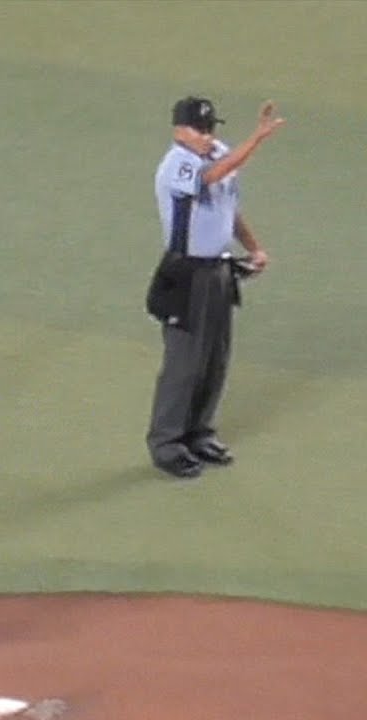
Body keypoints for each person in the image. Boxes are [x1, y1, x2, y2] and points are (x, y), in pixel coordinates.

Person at [145, 97, 285, 479]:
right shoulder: (177, 164)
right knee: (184, 363)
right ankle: (167, 444)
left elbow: (228, 208)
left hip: (219, 270)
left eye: (210, 128)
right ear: (179, 130)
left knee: (215, 358)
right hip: (186, 275)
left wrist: (253, 247)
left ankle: (199, 432)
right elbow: (213, 176)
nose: (207, 136)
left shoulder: (218, 152)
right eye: (199, 129)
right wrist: (257, 138)